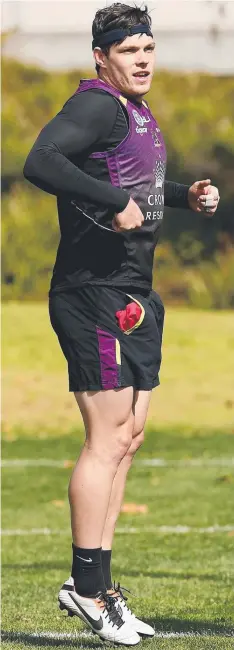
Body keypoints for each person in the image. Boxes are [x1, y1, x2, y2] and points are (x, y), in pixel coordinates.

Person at [23, 2, 220, 645]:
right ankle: (83, 587)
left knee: (129, 436)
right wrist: (114, 204)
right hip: (91, 292)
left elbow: (131, 187)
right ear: (101, 57)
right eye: (129, 49)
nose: (142, 58)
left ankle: (101, 590)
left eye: (148, 47)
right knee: (106, 436)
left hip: (129, 291)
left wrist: (183, 195)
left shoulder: (135, 113)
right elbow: (42, 161)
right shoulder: (97, 105)